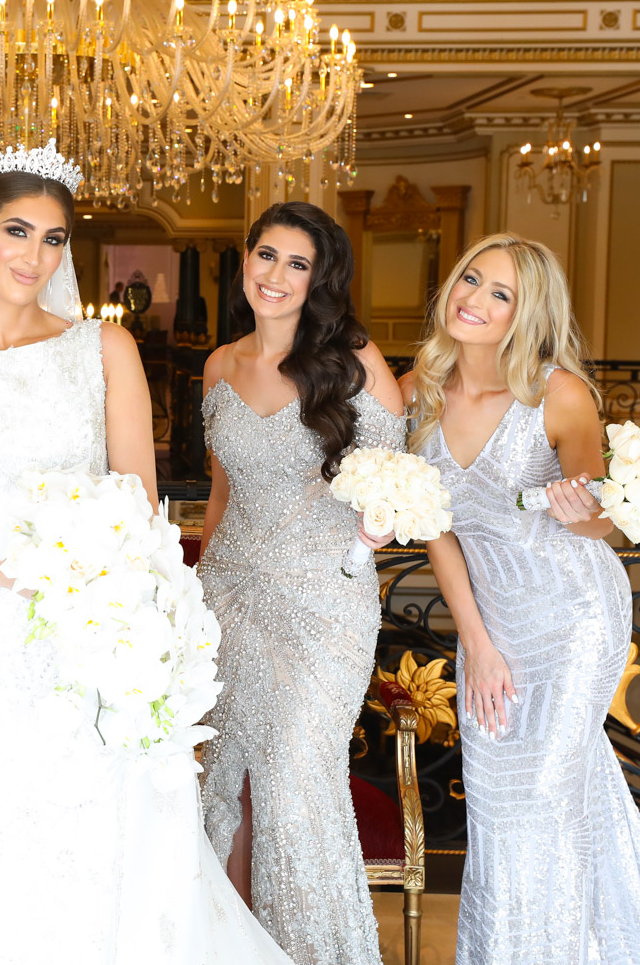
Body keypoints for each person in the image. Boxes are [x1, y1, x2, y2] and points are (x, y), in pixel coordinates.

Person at [0, 142, 294, 965]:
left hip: (93, 643)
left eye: (53, 239)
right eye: (17, 231)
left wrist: (99, 591)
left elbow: (141, 507)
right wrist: (30, 570)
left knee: (98, 848)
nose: (35, 256)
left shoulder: (104, 350)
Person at [401, 234, 640, 965]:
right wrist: (476, 642)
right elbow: (434, 531)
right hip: (491, 621)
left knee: (543, 799)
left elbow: (599, 520)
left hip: (572, 618)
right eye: (471, 279)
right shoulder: (419, 388)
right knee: (500, 806)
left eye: (501, 294)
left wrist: (583, 506)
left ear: (527, 314)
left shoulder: (558, 393)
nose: (474, 300)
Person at [196, 200, 403, 965]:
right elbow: (222, 494)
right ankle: (233, 950)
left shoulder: (355, 363)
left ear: (318, 279)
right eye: (266, 255)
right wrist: (196, 600)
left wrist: (380, 525)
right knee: (224, 782)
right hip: (228, 598)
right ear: (245, 259)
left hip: (323, 605)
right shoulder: (219, 365)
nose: (276, 275)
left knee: (292, 781)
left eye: (297, 263)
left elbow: (395, 488)